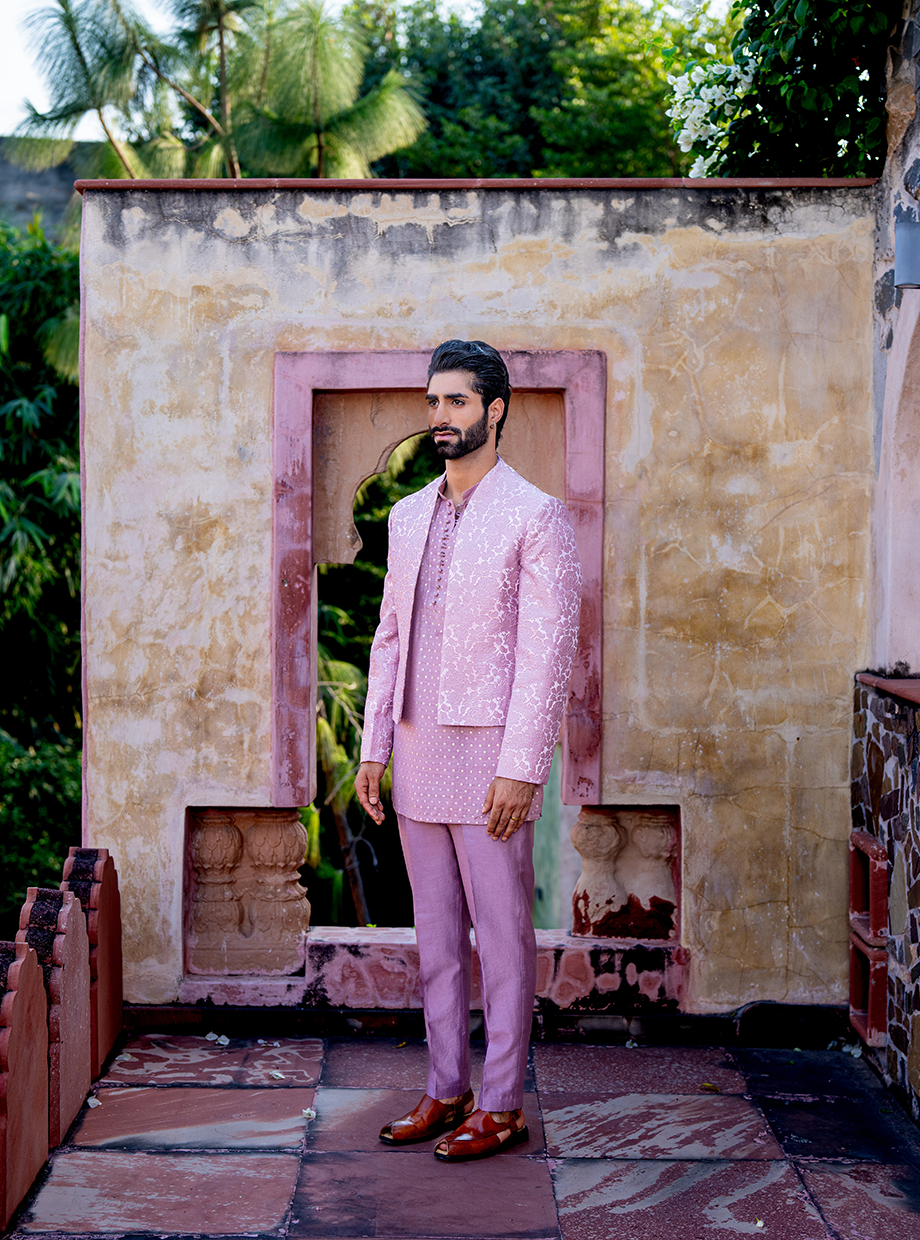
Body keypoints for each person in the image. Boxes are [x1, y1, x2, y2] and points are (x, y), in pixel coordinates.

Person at [354, 339, 582, 1161]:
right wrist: (372, 746)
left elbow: (548, 653)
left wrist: (523, 768)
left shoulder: (535, 515)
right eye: (431, 402)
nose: (439, 417)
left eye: (455, 402)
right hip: (415, 753)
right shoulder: (408, 515)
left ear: (494, 409)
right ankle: (445, 1088)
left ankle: (502, 1101)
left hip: (492, 761)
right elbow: (388, 639)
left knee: (504, 938)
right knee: (438, 941)